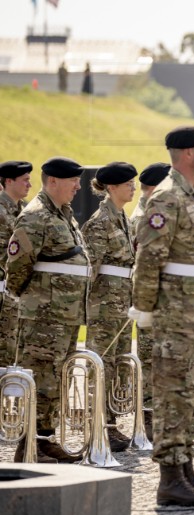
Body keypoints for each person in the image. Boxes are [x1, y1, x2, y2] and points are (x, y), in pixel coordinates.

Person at [130, 126, 194, 506]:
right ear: (188, 154)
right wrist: (146, 310)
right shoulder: (167, 197)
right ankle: (169, 478)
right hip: (176, 318)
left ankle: (186, 470)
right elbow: (148, 258)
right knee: (174, 398)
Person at [6, 157, 89, 464]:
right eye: (73, 181)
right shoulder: (35, 216)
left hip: (64, 317)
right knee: (41, 380)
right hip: (43, 317)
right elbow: (17, 265)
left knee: (57, 381)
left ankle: (44, 439)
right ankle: (27, 445)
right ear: (53, 181)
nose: (78, 186)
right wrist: (33, 301)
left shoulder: (64, 215)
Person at [82, 162, 138, 453]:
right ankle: (98, 425)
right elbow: (90, 269)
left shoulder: (122, 218)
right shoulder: (99, 222)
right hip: (104, 307)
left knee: (118, 367)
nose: (133, 187)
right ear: (112, 187)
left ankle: (111, 422)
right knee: (101, 365)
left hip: (120, 305)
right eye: (128, 183)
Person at [130, 162, 171, 439]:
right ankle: (149, 418)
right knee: (150, 359)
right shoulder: (145, 216)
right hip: (150, 298)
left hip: (163, 298)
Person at [0, 161, 32, 367]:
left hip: (18, 295)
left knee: (13, 354)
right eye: (25, 180)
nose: (29, 184)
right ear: (9, 181)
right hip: (3, 292)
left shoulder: (26, 211)